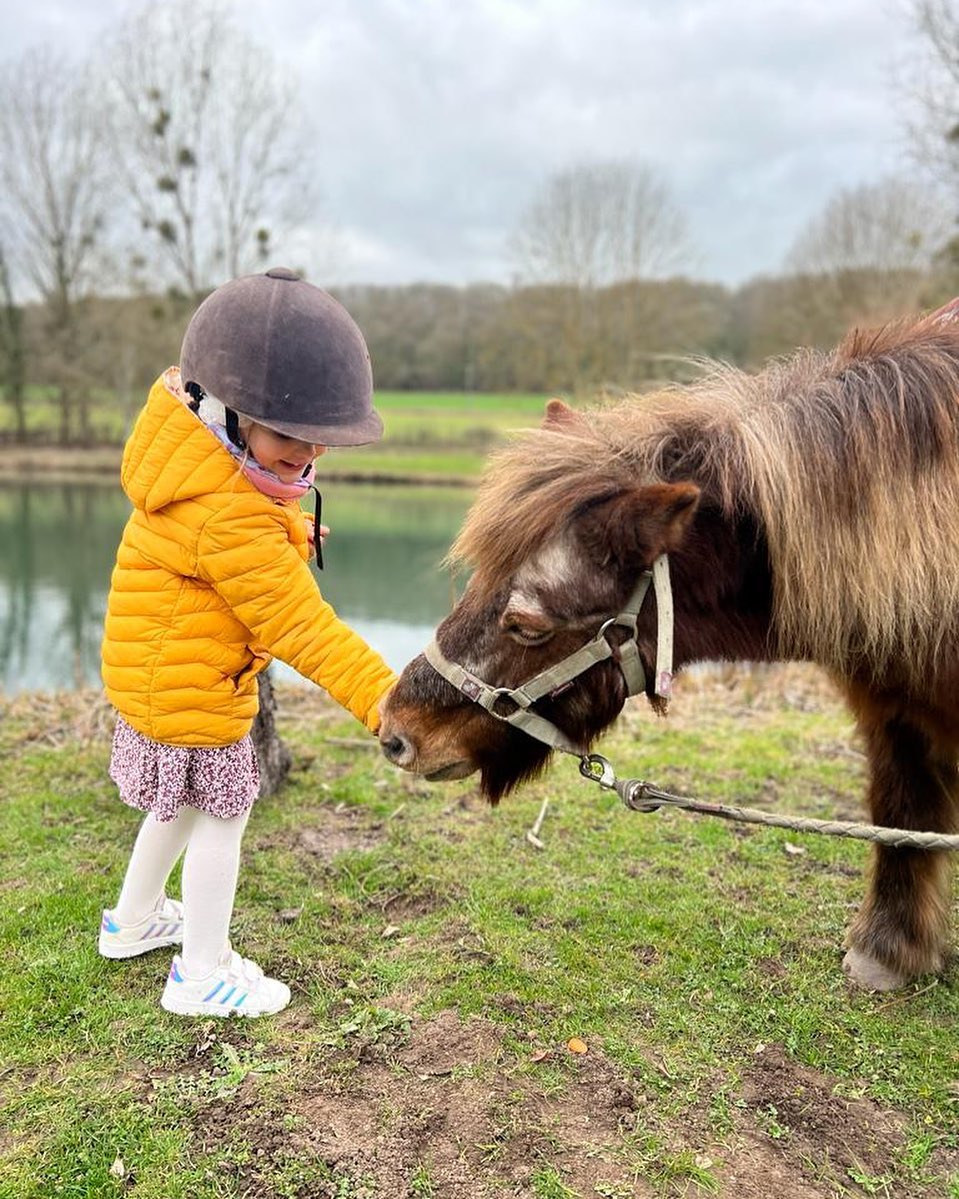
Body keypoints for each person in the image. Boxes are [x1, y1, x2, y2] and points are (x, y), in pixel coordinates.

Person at [99, 267, 396, 1018]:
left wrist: (289, 532)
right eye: (292, 437)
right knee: (221, 818)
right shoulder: (229, 517)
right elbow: (303, 626)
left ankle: (131, 921)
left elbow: (233, 548)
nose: (310, 456)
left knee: (177, 805)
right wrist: (387, 700)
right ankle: (201, 970)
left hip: (160, 677)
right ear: (227, 414)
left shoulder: (191, 467)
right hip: (192, 686)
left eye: (319, 443)